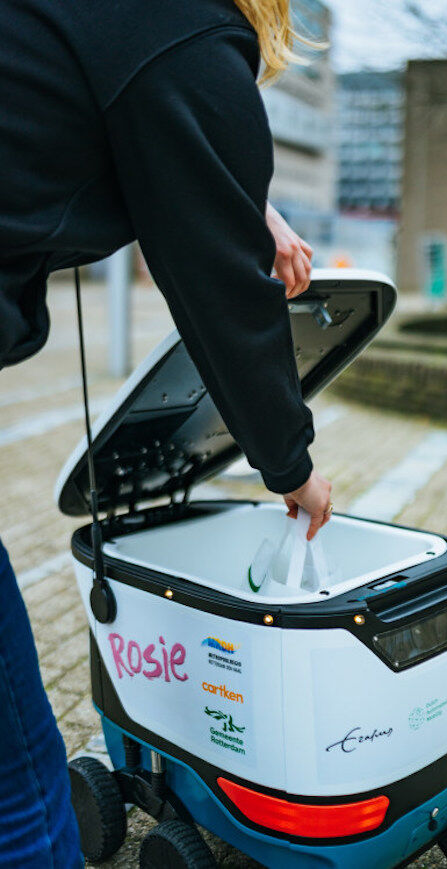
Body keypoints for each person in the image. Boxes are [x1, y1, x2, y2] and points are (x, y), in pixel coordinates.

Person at [0, 0, 332, 864]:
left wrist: (244, 205)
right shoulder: (183, 23)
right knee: (18, 770)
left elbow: (160, 154)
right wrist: (292, 466)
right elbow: (222, 291)